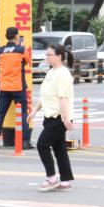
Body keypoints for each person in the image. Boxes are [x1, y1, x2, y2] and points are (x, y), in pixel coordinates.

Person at [27, 44, 75, 192]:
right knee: (59, 148)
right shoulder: (51, 72)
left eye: (49, 55)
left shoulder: (63, 74)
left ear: (58, 56)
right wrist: (35, 109)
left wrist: (66, 119)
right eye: (46, 55)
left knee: (42, 145)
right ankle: (65, 180)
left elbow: (63, 98)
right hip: (50, 115)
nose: (46, 57)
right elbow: (47, 95)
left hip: (59, 117)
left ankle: (51, 178)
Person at [0, 27, 33, 149]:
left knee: (1, 113)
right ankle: (25, 141)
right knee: (23, 114)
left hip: (4, 87)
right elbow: (28, 61)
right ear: (16, 36)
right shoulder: (21, 49)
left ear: (6, 36)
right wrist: (22, 45)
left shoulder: (1, 50)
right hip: (18, 87)